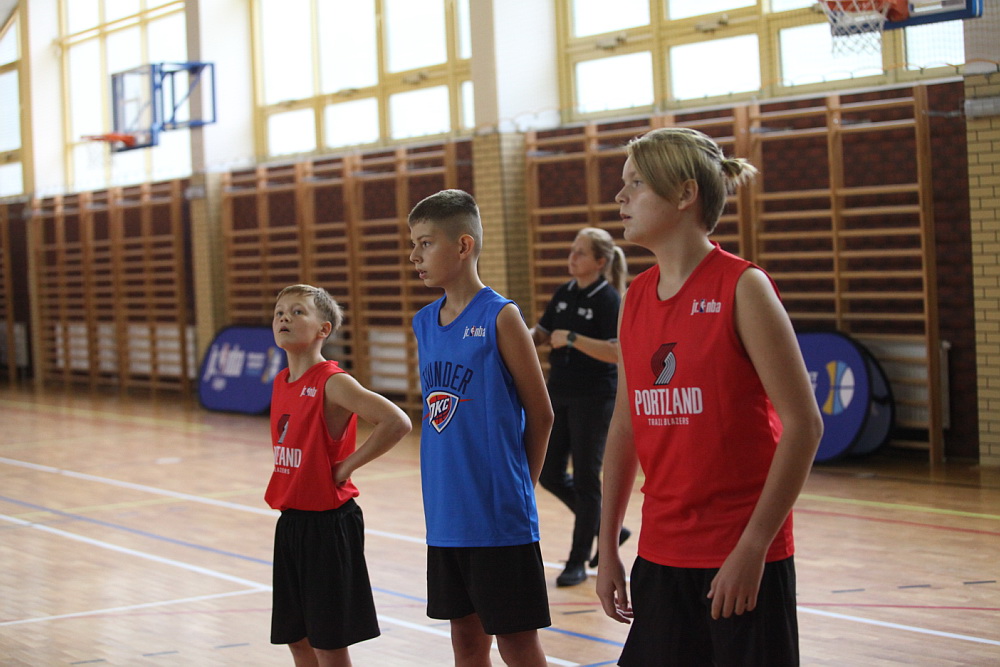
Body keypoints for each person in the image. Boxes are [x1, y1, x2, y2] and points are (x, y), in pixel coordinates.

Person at [595, 128, 823, 666]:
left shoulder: (744, 288)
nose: (620, 196)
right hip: (660, 554)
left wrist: (754, 546)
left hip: (740, 559)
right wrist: (606, 549)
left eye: (636, 183)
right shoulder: (635, 299)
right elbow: (625, 429)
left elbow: (804, 425)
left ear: (684, 194)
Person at [408, 189, 554, 667]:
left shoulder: (500, 315)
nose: (415, 256)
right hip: (445, 516)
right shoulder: (423, 323)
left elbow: (542, 413)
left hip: (498, 518)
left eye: (425, 243)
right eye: (413, 244)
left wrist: (521, 487)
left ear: (463, 245)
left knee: (517, 646)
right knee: (466, 643)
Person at [265, 284, 412, 667]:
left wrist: (345, 467)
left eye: (298, 311)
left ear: (323, 329)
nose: (284, 317)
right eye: (280, 312)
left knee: (328, 643)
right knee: (296, 638)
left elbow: (396, 421)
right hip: (292, 522)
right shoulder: (281, 382)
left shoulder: (332, 381)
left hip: (328, 526)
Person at [529, 227, 630, 587]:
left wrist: (572, 338)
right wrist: (511, 339)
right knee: (550, 473)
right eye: (572, 250)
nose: (572, 257)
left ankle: (577, 561)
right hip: (559, 393)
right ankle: (607, 526)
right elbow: (541, 333)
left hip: (595, 398)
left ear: (600, 262)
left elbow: (617, 352)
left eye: (580, 252)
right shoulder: (564, 293)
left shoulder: (609, 300)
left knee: (587, 480)